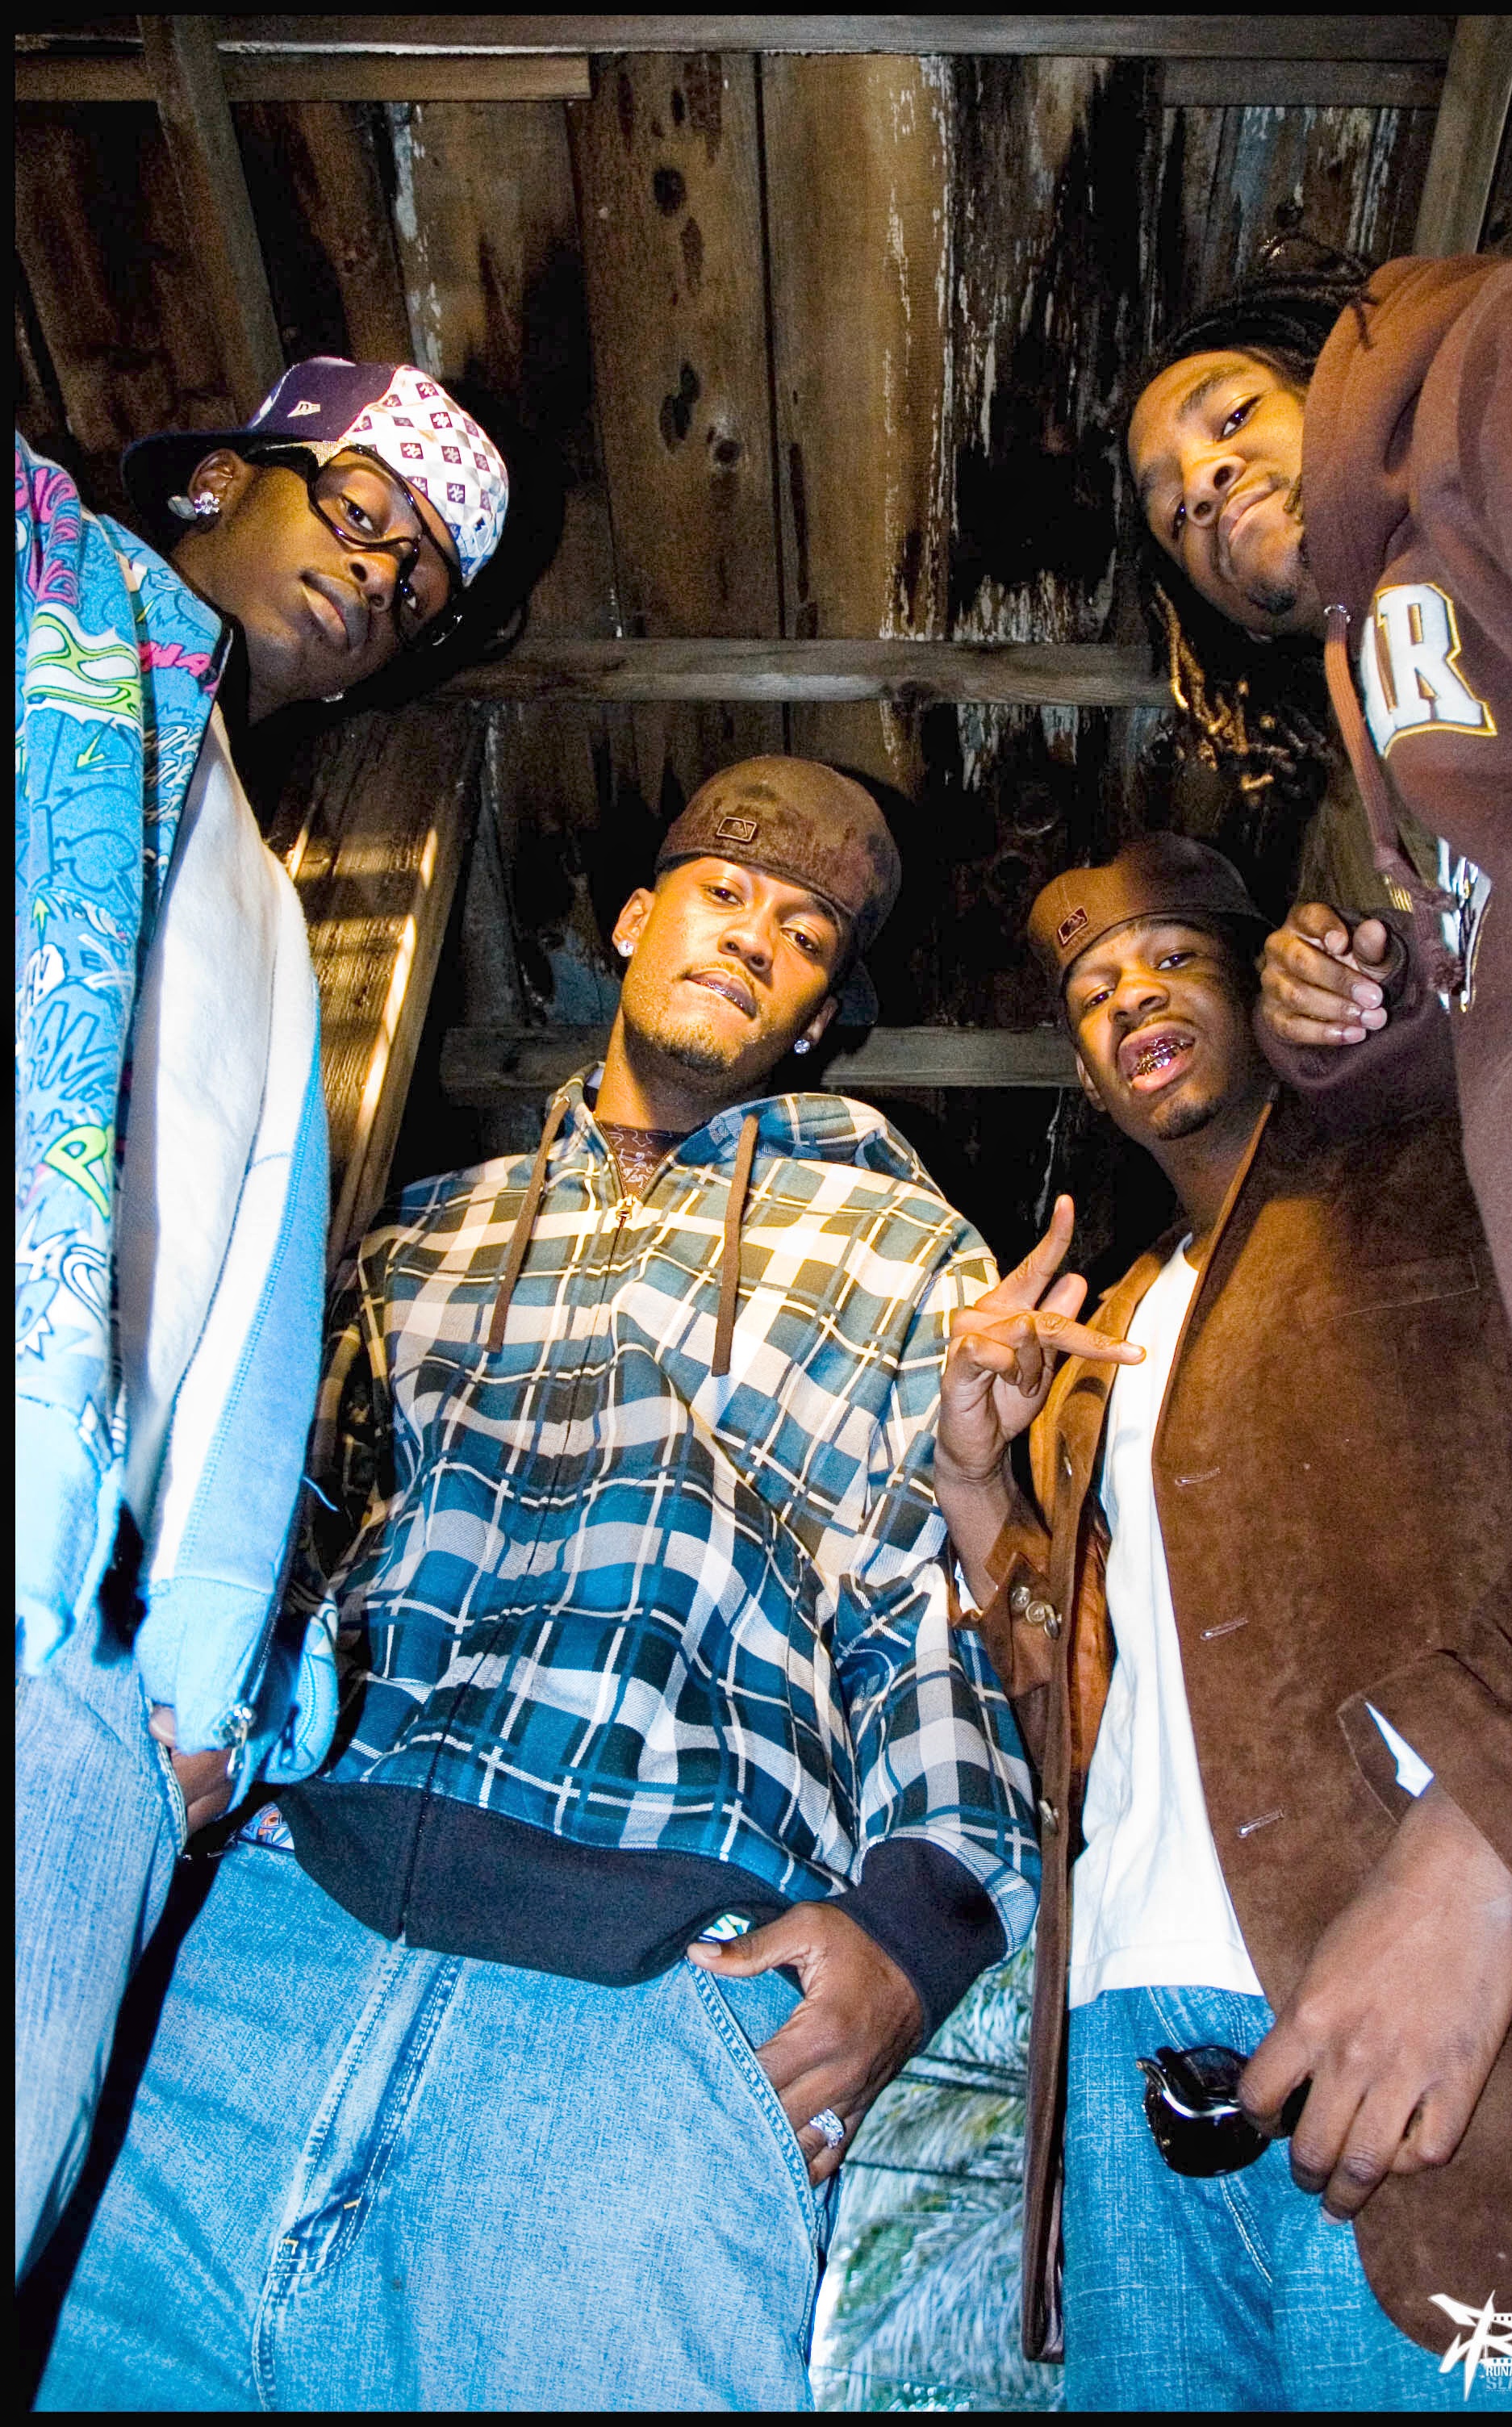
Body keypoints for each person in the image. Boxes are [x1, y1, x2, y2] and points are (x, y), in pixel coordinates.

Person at [37, 757, 1050, 2413]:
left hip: (655, 2021)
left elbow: (913, 1586)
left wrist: (920, 1923)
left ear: (816, 1020)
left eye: (804, 938)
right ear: (635, 921)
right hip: (248, 1970)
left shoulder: (906, 1252)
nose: (754, 937)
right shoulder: (415, 1237)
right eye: (723, 894)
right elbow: (289, 1534)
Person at [934, 833, 1512, 2411]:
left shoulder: (1444, 1190)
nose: (1131, 999)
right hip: (1120, 2025)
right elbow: (1072, 1723)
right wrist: (975, 1480)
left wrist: (1495, 1829)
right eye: (1094, 993)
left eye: (1172, 961)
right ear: (1087, 1079)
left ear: (1260, 990)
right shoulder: (1096, 1345)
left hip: (1421, 1974)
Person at [15, 355, 544, 2280]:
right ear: (217, 479)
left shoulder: (261, 902)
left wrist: (185, 1709)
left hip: (75, 1686)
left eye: (420, 588)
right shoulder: (37, 576)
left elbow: (244, 1346)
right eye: (361, 512)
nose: (382, 581)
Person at [1122, 242, 1512, 1715]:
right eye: (1175, 512)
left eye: (1226, 418)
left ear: (1311, 362)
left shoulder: (1496, 359)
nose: (1206, 486)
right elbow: (1508, 1005)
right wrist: (1350, 1028)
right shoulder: (1378, 705)